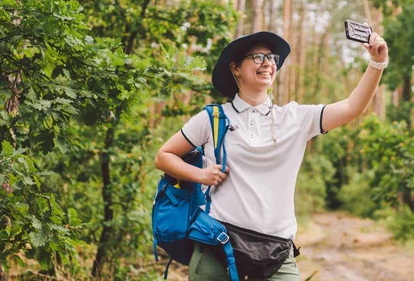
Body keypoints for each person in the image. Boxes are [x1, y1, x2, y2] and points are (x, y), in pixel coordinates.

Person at [154, 30, 388, 280]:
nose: (268, 63)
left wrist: (376, 63)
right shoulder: (213, 118)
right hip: (216, 246)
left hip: (276, 252)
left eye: (272, 58)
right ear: (235, 68)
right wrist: (200, 174)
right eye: (257, 57)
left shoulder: (295, 118)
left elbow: (353, 107)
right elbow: (164, 156)